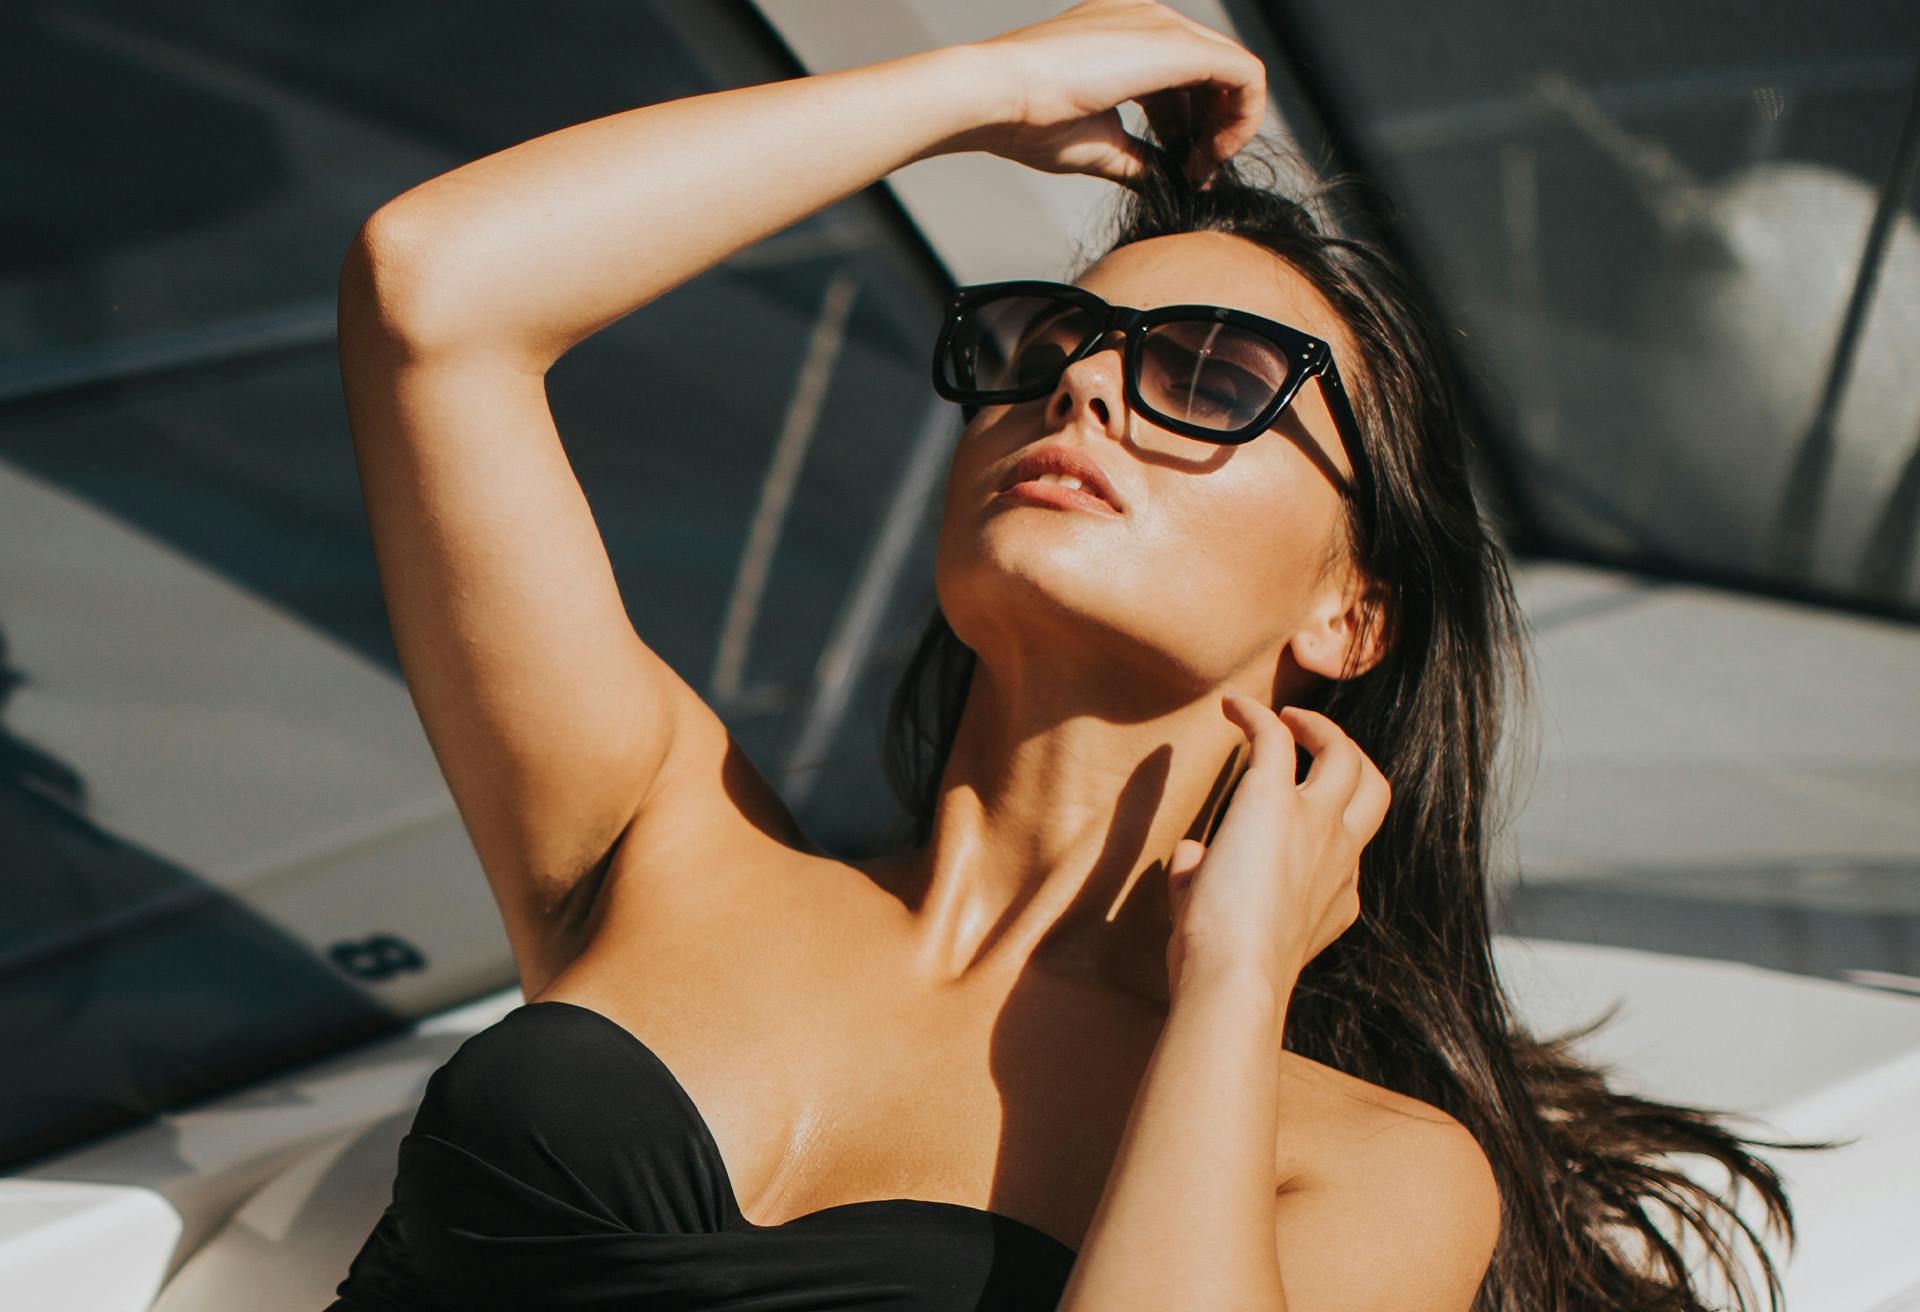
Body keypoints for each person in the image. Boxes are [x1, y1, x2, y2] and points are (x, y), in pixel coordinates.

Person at [328, 3, 1826, 1308]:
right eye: (1044, 345)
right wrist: (973, 90)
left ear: (1349, 612)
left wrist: (1233, 983)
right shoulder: (664, 837)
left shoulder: (1371, 1172)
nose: (1087, 386)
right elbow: (433, 292)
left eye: (1211, 376)